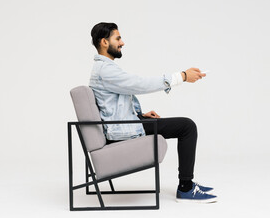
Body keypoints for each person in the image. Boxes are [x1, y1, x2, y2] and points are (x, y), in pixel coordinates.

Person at [89, 22, 217, 203]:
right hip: (121, 131)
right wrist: (181, 77)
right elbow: (139, 84)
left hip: (124, 125)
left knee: (184, 125)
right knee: (187, 126)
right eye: (118, 38)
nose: (122, 42)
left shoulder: (104, 68)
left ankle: (187, 185)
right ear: (104, 42)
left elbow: (115, 102)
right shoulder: (105, 70)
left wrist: (140, 116)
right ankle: (186, 188)